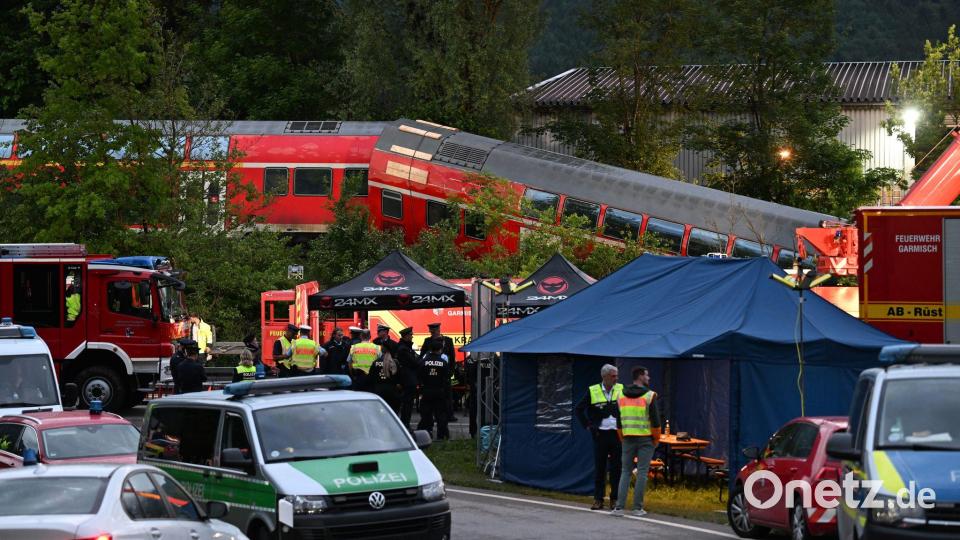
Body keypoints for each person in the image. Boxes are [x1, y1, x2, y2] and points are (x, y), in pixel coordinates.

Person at [611, 366, 661, 518]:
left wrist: (622, 437)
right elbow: (656, 421)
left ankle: (618, 507)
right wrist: (656, 439)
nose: (649, 378)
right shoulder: (649, 396)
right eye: (647, 375)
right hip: (645, 438)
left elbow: (618, 421)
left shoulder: (620, 395)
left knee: (625, 472)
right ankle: (637, 508)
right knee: (642, 472)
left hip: (627, 438)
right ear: (640, 376)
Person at [575, 364, 624, 510]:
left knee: (616, 468)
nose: (616, 378)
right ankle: (598, 499)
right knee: (600, 468)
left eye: (617, 375)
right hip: (600, 434)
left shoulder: (621, 389)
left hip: (617, 434)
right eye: (613, 375)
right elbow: (578, 409)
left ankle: (614, 499)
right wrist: (588, 425)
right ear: (605, 376)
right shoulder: (593, 390)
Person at [417, 339, 451, 440]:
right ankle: (441, 436)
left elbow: (419, 376)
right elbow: (447, 377)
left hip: (426, 391)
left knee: (426, 414)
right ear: (440, 350)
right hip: (439, 392)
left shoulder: (423, 362)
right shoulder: (443, 362)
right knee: (441, 415)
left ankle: (427, 435)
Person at [396, 327, 421, 430]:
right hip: (407, 380)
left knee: (407, 404)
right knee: (407, 404)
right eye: (411, 335)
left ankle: (405, 423)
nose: (412, 336)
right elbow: (414, 362)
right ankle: (405, 425)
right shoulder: (403, 349)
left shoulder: (405, 347)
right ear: (406, 336)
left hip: (407, 379)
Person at [367, 339, 400, 413]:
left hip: (379, 389)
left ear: (382, 349)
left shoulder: (376, 362)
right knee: (392, 412)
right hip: (392, 390)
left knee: (379, 412)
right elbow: (399, 377)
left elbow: (371, 377)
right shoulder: (395, 362)